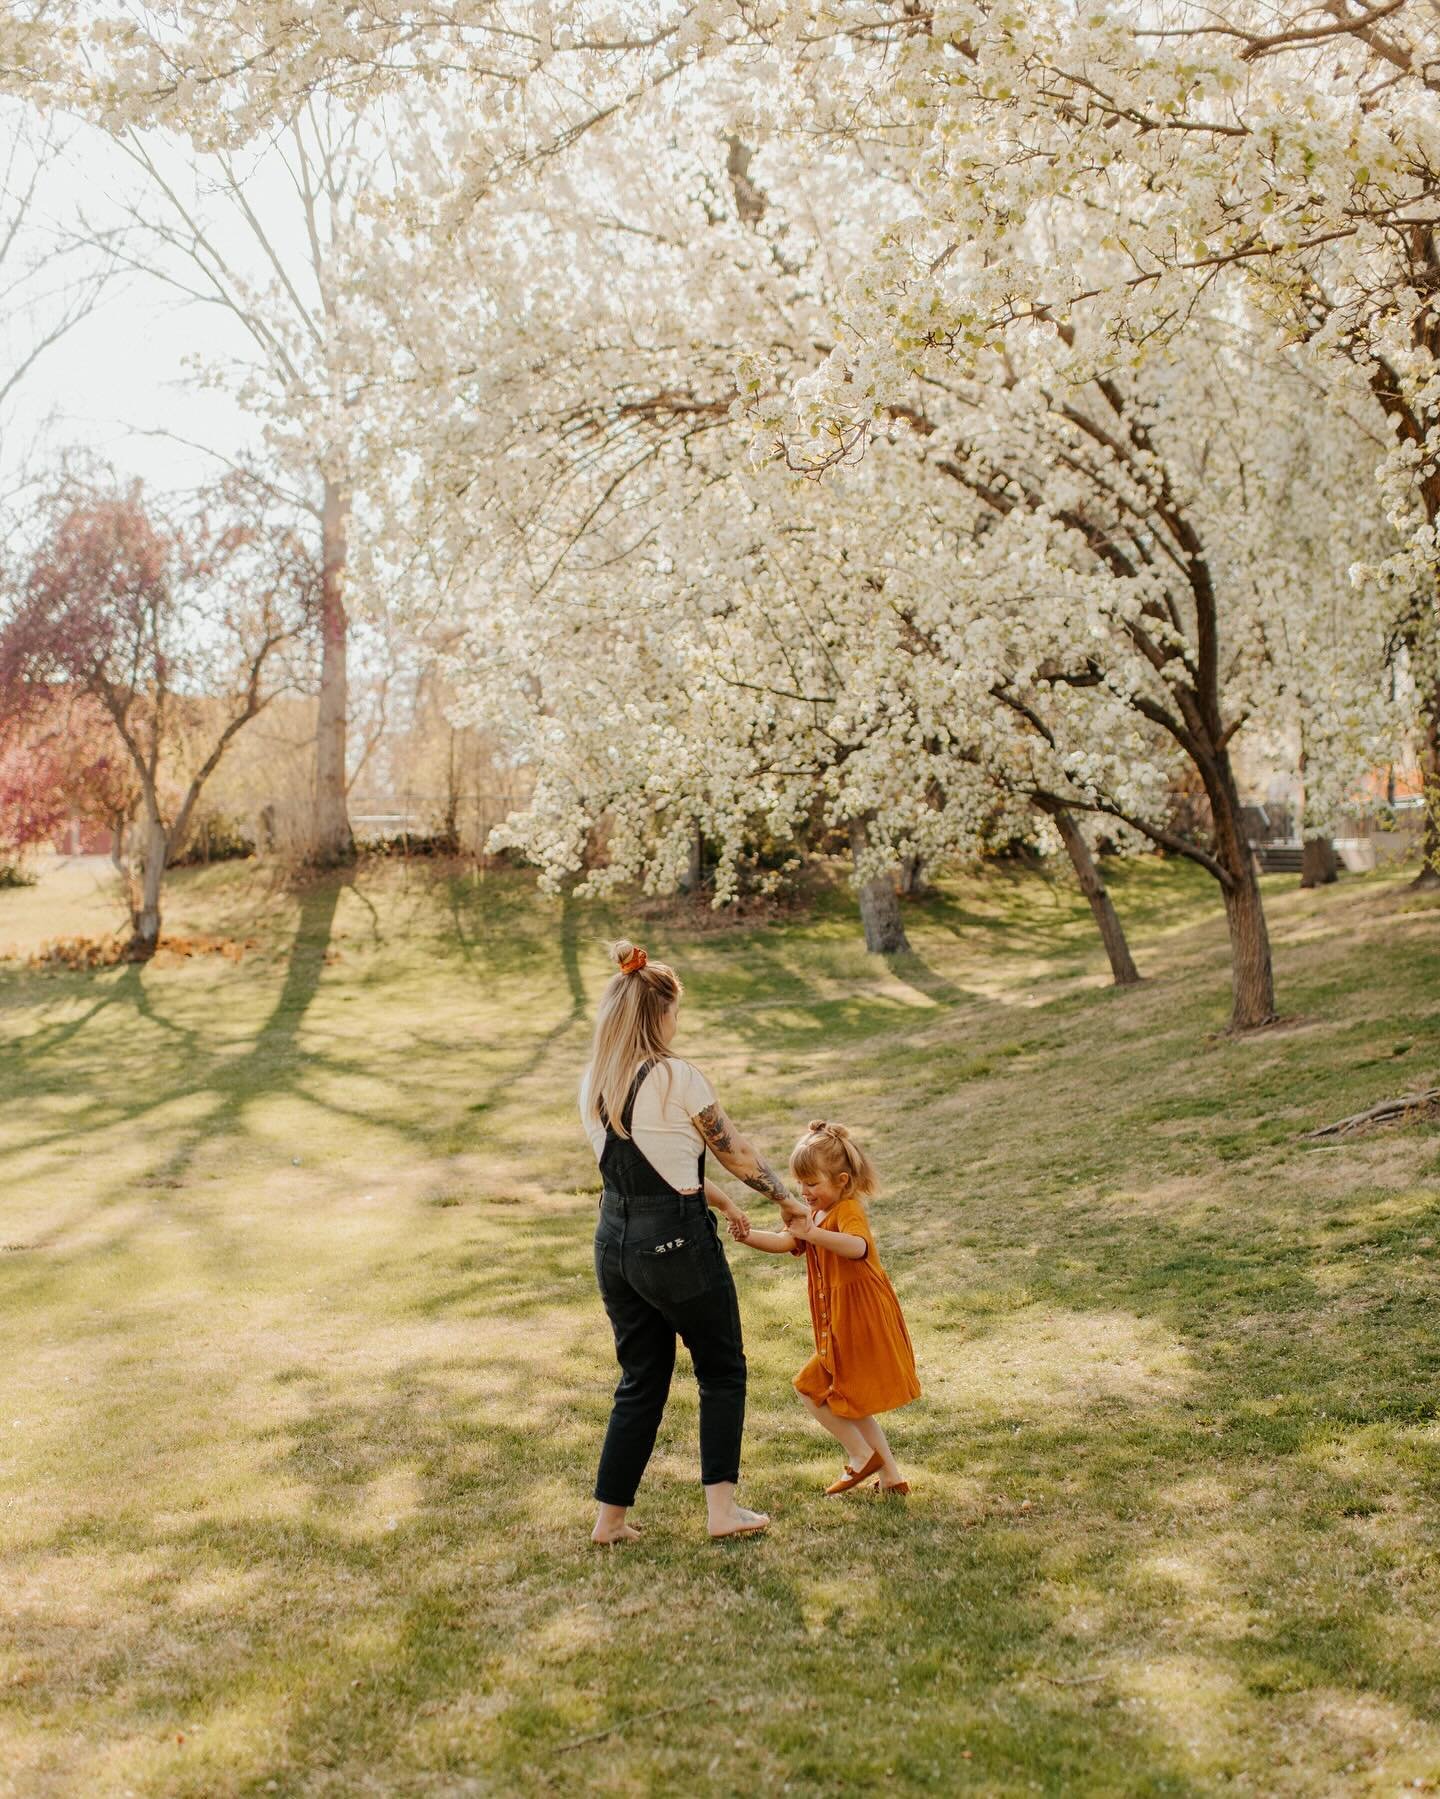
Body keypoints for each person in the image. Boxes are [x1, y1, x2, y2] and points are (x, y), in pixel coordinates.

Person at [580, 939, 806, 1545]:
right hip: (675, 1245)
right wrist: (786, 1201)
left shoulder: (595, 1083)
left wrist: (723, 1201)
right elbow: (731, 1151)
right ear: (659, 1014)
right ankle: (722, 1511)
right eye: (676, 1011)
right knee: (722, 1368)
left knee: (641, 1377)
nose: (679, 1022)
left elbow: (647, 1167)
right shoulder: (677, 1075)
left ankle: (611, 1521)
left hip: (614, 1244)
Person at [732, 1119, 919, 1495]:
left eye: (812, 1183)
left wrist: (814, 1233)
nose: (804, 1191)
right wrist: (749, 1236)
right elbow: (788, 1243)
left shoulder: (847, 1211)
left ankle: (860, 1455)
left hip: (859, 1317)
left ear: (842, 1181)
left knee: (809, 1387)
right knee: (848, 1398)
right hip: (837, 1317)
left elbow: (859, 1247)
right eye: (800, 1183)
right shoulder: (812, 1214)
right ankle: (891, 1477)